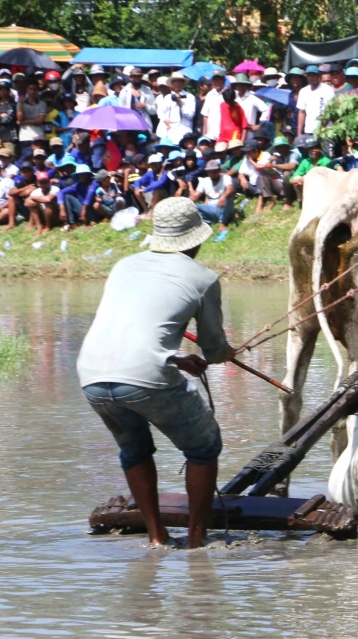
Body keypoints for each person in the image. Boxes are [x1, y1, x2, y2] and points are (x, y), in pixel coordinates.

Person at [77, 196, 234, 549]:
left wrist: (177, 359)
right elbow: (215, 349)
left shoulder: (124, 265)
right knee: (204, 447)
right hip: (145, 377)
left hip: (93, 376)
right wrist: (226, 352)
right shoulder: (203, 277)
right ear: (197, 238)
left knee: (134, 451)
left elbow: (131, 331)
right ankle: (196, 540)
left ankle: (156, 537)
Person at [190, 159, 235, 243]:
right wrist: (184, 203)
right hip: (211, 209)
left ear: (219, 170)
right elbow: (195, 196)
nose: (212, 174)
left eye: (214, 171)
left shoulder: (226, 178)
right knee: (193, 206)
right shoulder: (204, 181)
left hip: (223, 208)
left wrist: (223, 196)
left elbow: (230, 189)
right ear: (207, 172)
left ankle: (223, 223)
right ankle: (207, 223)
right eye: (210, 172)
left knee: (229, 197)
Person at [296, 66, 334, 135]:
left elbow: (329, 111)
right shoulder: (303, 91)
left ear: (318, 76)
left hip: (325, 131)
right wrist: (299, 132)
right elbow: (302, 112)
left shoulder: (327, 89)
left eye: (314, 75)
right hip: (309, 130)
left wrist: (321, 129)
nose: (311, 77)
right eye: (309, 75)